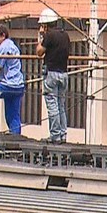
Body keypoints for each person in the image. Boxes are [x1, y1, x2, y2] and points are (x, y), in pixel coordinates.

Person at [36, 8, 70, 143]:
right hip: (64, 73)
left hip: (51, 74)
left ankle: (55, 135)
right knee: (61, 104)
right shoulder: (65, 35)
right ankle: (63, 134)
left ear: (45, 25)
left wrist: (40, 38)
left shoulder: (49, 36)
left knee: (52, 105)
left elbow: (39, 52)